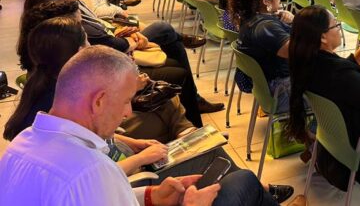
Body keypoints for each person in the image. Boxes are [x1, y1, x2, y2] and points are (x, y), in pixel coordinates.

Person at [0, 45, 281, 206]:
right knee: (245, 181)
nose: (127, 113)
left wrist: (151, 196)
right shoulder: (90, 171)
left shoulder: (22, 144)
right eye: (125, 101)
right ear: (99, 101)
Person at [29, 0, 221, 126]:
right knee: (170, 48)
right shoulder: (65, 25)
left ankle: (192, 120)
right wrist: (129, 47)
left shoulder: (68, 12)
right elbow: (97, 53)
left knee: (174, 55)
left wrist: (118, 32)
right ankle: (193, 117)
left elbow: (98, 37)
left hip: (112, 49)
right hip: (111, 62)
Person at [286, 6, 360, 205]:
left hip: (338, 139)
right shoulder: (337, 74)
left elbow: (346, 72)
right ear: (323, 37)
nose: (339, 28)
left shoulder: (308, 63)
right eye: (336, 25)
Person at [228, 0, 294, 111]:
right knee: (335, 88)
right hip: (283, 92)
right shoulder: (265, 27)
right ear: (266, 1)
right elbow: (299, 52)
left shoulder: (247, 20)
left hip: (268, 89)